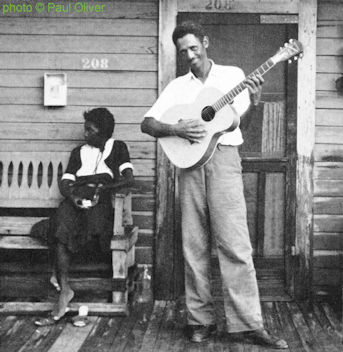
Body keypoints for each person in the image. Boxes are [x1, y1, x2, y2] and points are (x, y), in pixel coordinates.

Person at [141, 22, 288, 349]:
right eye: (184, 52)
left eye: (194, 48)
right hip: (190, 165)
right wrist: (176, 130)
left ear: (206, 42)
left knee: (235, 244)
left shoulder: (233, 76)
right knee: (193, 244)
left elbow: (240, 125)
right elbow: (147, 123)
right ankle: (200, 321)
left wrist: (256, 100)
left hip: (224, 159)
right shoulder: (179, 86)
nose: (190, 56)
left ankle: (247, 324)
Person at [34, 108, 134, 326]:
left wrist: (103, 189)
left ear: (103, 132)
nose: (85, 134)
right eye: (85, 129)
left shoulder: (118, 148)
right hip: (76, 198)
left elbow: (128, 180)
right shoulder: (78, 152)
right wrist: (73, 198)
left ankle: (58, 274)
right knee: (61, 225)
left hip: (102, 200)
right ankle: (65, 288)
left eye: (90, 130)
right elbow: (65, 182)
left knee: (91, 227)